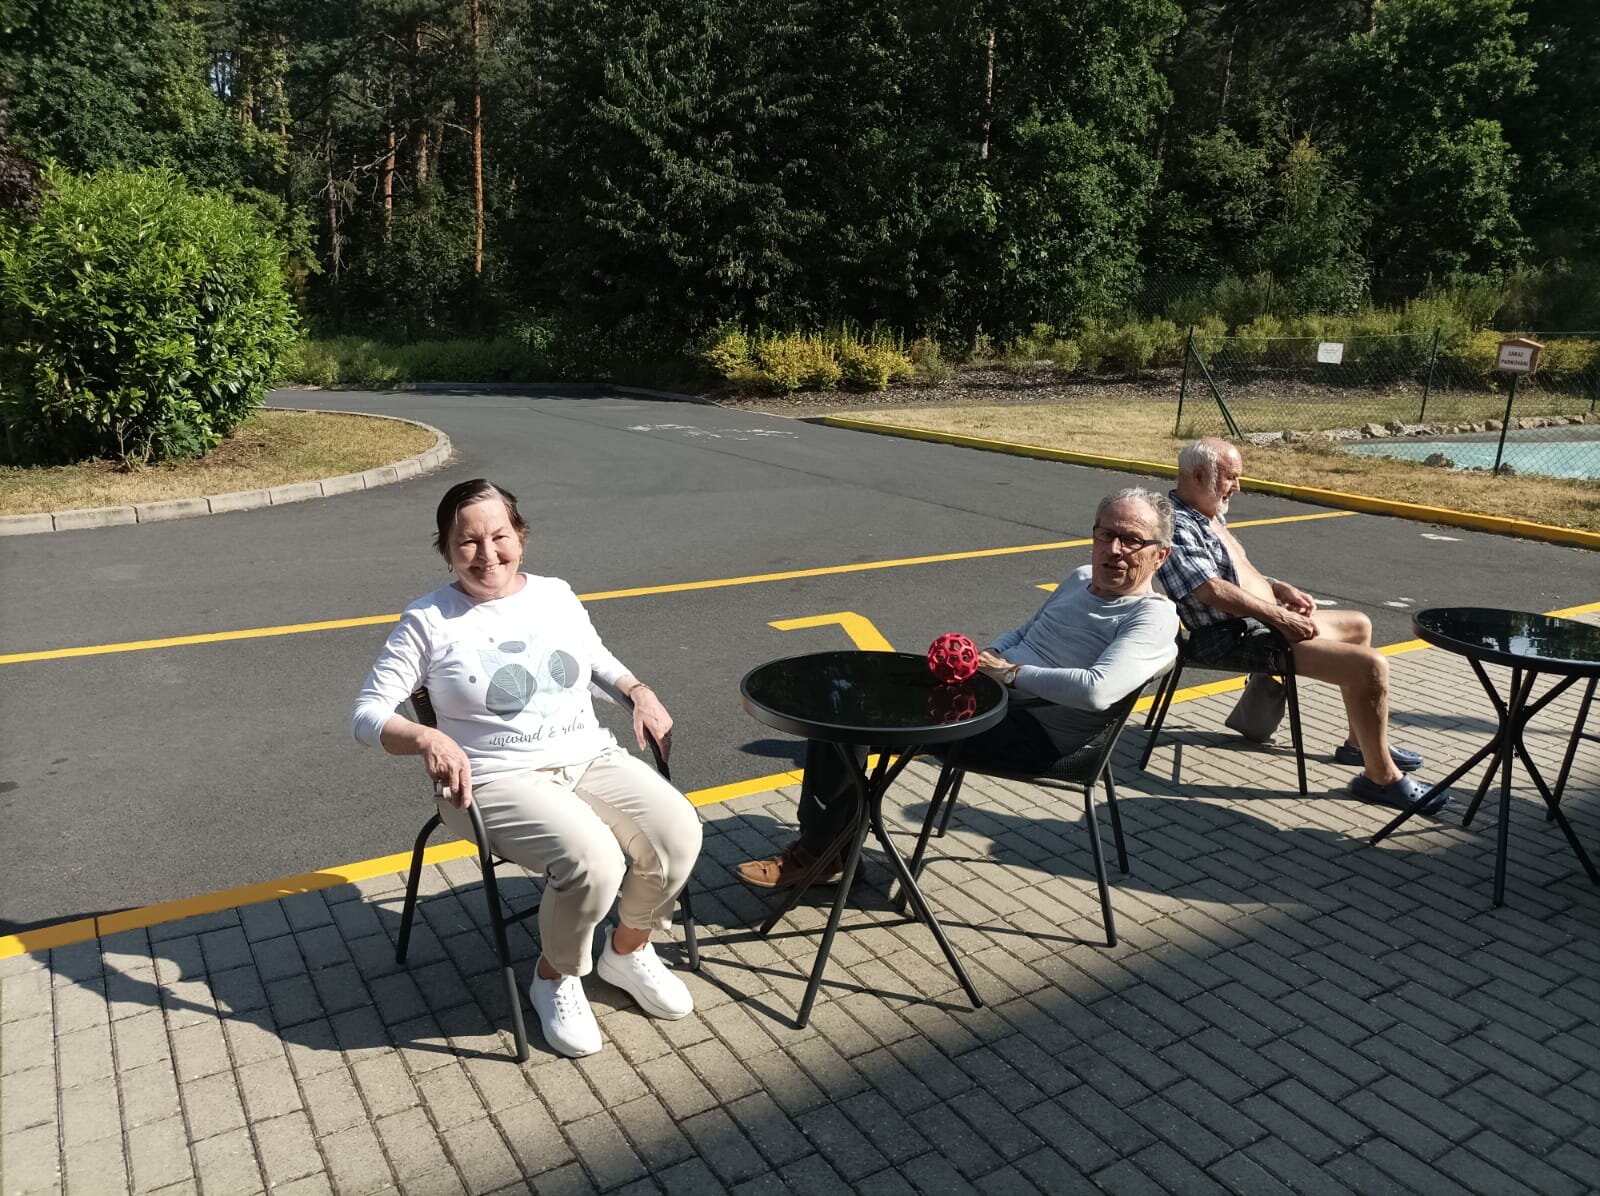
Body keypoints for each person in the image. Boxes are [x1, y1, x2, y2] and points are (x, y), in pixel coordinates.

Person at [351, 479, 702, 1058]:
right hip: (491, 780)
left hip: (587, 755)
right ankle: (554, 977)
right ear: (446, 549)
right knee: (594, 860)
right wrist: (424, 737)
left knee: (678, 831)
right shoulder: (428, 620)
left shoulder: (555, 594)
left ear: (521, 536)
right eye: (467, 542)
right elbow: (366, 713)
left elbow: (594, 659)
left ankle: (627, 950)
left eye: (499, 536)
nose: (486, 554)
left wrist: (638, 691)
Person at [738, 487, 1181, 888]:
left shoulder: (1151, 616)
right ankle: (831, 847)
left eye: (1131, 540)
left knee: (850, 726)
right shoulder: (1080, 577)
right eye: (1106, 534)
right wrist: (989, 654)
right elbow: (1024, 632)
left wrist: (1010, 673)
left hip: (1035, 734)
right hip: (993, 696)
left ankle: (821, 853)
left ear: (1160, 555)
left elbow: (1097, 691)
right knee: (848, 703)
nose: (1114, 549)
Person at [1157, 437, 1448, 813]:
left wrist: (1277, 588)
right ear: (1199, 475)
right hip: (1228, 638)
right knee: (1371, 666)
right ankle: (1381, 778)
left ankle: (1359, 745)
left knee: (1358, 625)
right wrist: (1280, 617)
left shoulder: (1207, 512)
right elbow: (1210, 589)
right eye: (1231, 477)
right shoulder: (1175, 524)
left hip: (1255, 624)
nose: (1238, 486)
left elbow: (1235, 572)